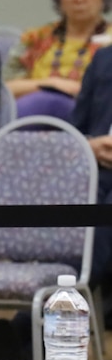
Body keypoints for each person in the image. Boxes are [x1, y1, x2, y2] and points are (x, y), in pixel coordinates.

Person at [5, 0, 112, 121]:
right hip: (30, 120)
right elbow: (5, 89)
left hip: (93, 122)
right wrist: (51, 84)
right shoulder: (35, 38)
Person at [70, 43, 112, 327]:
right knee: (68, 217)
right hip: (96, 167)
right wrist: (89, 144)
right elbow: (75, 129)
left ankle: (24, 328)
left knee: (98, 233)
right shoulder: (104, 58)